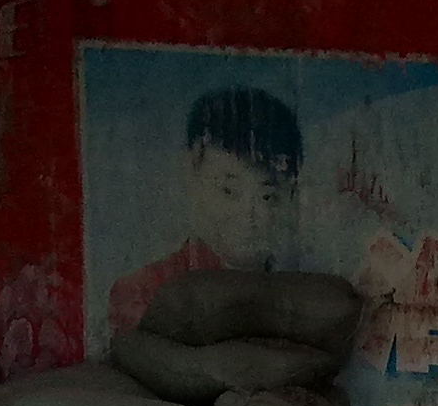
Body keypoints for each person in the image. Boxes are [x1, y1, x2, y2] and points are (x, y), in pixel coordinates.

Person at [110, 86, 303, 331]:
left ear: (292, 195)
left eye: (267, 196)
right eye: (229, 191)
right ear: (192, 176)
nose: (249, 215)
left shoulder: (299, 298)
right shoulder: (145, 291)